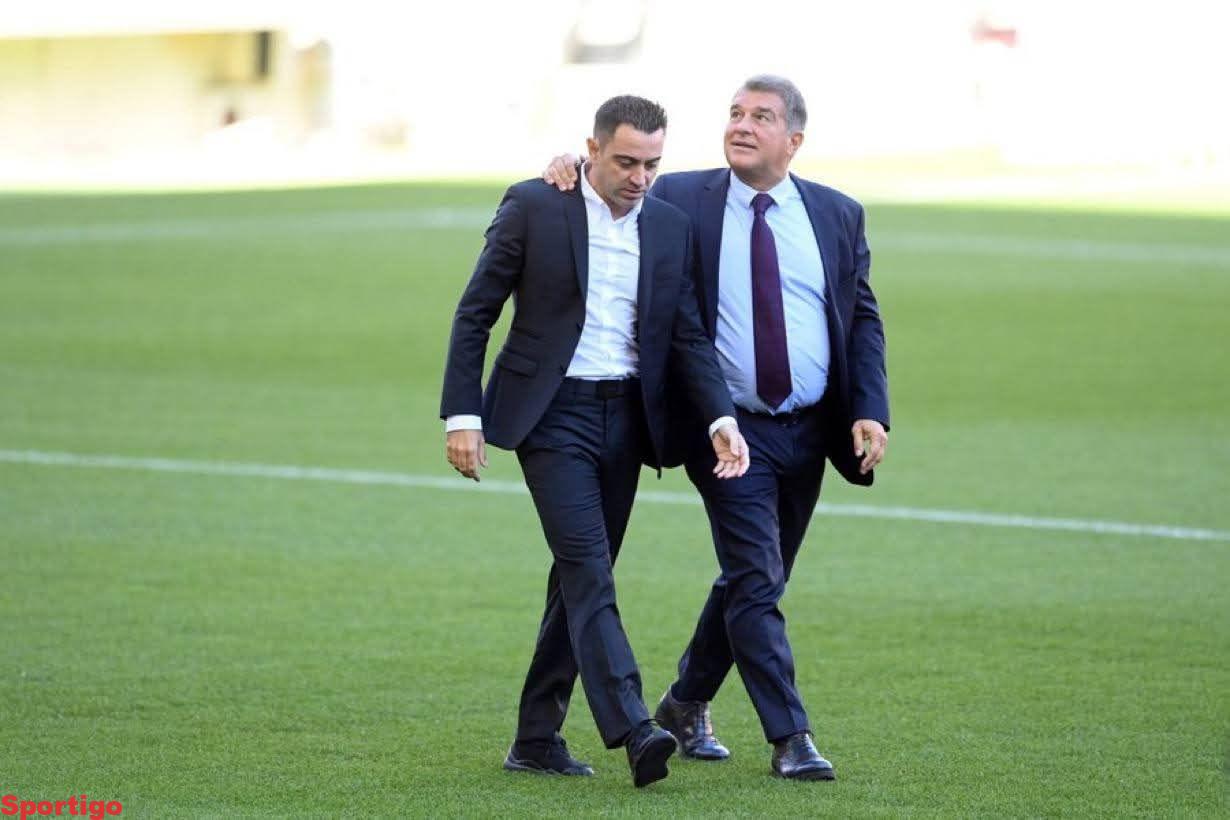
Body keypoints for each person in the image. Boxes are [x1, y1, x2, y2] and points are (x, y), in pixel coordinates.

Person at [543, 75, 890, 781]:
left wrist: (869, 408)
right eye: (735, 112)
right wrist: (570, 165)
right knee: (756, 577)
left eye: (761, 117)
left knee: (756, 579)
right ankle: (791, 737)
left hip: (810, 429)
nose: (742, 125)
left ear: (794, 139)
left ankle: (685, 701)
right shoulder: (678, 197)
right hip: (723, 428)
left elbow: (860, 316)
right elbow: (612, 177)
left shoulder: (836, 213)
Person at [440, 94, 751, 788]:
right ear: (591, 149)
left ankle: (535, 738)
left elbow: (688, 333)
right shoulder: (535, 205)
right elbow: (475, 313)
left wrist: (720, 417)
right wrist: (462, 414)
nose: (640, 177)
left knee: (580, 575)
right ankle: (636, 728)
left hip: (629, 419)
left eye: (652, 164)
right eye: (626, 162)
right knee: (589, 570)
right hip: (551, 416)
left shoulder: (668, 225)